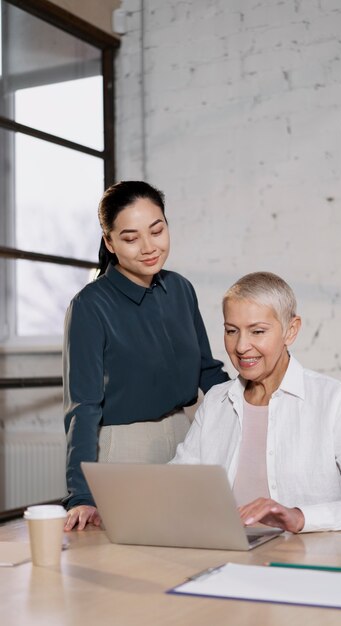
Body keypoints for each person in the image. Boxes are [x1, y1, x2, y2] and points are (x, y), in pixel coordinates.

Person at [171, 271, 341, 533]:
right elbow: (178, 485)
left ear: (290, 331)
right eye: (231, 331)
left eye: (257, 331)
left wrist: (301, 517)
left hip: (304, 562)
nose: (241, 346)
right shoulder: (216, 401)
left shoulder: (331, 399)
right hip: (228, 556)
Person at [63, 181, 229, 531]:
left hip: (186, 439)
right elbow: (84, 406)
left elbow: (206, 371)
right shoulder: (90, 306)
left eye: (157, 230)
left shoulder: (181, 289)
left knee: (190, 551)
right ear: (109, 242)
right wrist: (81, 495)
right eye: (130, 237)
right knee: (133, 568)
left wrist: (260, 399)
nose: (149, 247)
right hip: (124, 450)